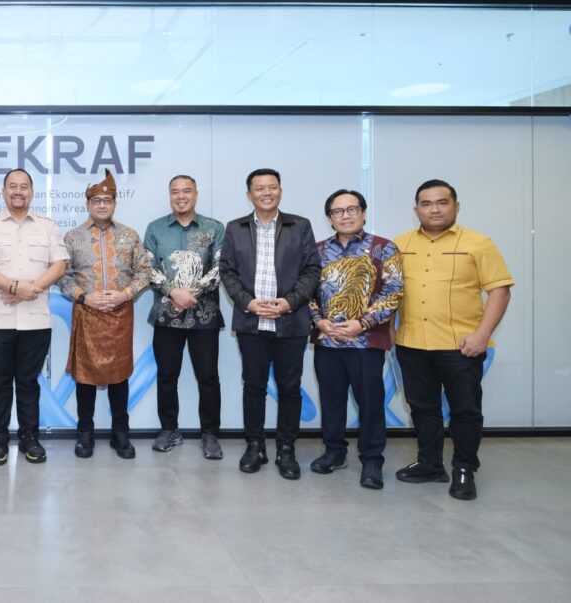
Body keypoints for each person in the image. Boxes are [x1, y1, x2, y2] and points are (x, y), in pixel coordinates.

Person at [393, 179, 513, 501]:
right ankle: (430, 464)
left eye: (442, 202)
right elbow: (390, 292)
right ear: (416, 209)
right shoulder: (400, 244)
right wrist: (388, 330)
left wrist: (482, 335)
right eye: (426, 203)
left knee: (465, 410)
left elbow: (500, 291)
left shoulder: (478, 243)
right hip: (412, 343)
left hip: (461, 346)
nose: (434, 209)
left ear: (456, 207)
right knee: (422, 408)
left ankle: (464, 469)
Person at [219, 168, 320, 480]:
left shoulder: (299, 225)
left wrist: (290, 302)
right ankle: (255, 447)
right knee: (254, 386)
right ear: (249, 195)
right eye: (260, 188)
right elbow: (227, 271)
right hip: (252, 322)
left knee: (290, 388)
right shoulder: (235, 228)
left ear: (280, 191)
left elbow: (312, 269)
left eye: (272, 187)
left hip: (290, 321)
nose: (266, 193)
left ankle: (286, 449)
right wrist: (248, 302)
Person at [0, 168, 68, 466]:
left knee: (28, 382)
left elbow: (59, 265)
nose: (18, 191)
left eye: (23, 186)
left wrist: (30, 289)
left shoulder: (47, 226)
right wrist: (14, 287)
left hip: (36, 320)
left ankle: (30, 437)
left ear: (31, 192)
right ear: (4, 192)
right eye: (12, 186)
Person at [308, 189, 403, 490]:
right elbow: (306, 292)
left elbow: (393, 293)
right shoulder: (318, 250)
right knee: (331, 399)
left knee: (370, 402)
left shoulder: (383, 248)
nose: (345, 216)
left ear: (363, 213)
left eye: (352, 209)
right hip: (328, 341)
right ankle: (334, 452)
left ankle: (372, 459)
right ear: (330, 218)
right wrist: (319, 321)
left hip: (366, 342)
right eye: (338, 211)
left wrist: (362, 323)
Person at [57, 170, 150, 460]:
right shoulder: (72, 237)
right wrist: (84, 296)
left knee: (119, 376)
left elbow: (144, 271)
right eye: (96, 200)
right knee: (85, 376)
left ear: (114, 204)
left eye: (107, 200)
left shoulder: (129, 235)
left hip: (120, 315)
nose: (101, 205)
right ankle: (85, 432)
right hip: (87, 315)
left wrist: (125, 294)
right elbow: (62, 276)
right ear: (87, 204)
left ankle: (120, 433)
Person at [143, 175, 225, 460]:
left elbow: (220, 268)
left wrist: (192, 293)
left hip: (205, 317)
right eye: (175, 192)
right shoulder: (155, 228)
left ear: (196, 194)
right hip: (167, 317)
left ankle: (210, 434)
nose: (181, 196)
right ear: (170, 195)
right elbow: (148, 268)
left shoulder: (214, 228)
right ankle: (169, 430)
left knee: (208, 377)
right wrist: (173, 292)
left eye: (186, 191)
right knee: (167, 377)